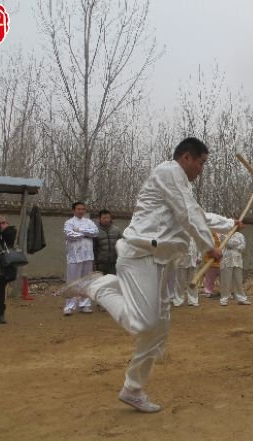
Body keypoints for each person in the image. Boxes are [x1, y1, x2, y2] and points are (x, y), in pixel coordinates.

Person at [60, 137, 241, 412]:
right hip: (139, 255)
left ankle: (132, 389)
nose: (202, 169)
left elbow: (196, 214)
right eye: (201, 162)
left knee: (157, 331)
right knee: (143, 324)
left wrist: (229, 224)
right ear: (187, 158)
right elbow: (189, 213)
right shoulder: (169, 172)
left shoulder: (179, 186)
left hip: (161, 262)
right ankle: (98, 286)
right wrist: (208, 246)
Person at [63, 201, 99, 315]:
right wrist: (86, 234)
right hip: (74, 256)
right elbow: (70, 235)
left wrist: (80, 231)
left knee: (87, 281)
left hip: (88, 255)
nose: (81, 211)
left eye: (83, 209)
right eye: (78, 209)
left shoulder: (89, 222)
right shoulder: (69, 222)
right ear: (73, 210)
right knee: (73, 282)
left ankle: (85, 304)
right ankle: (69, 306)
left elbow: (95, 232)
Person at [219, 231, 250, 306]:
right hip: (226, 260)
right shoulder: (223, 234)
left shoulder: (240, 234)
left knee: (238, 281)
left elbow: (242, 247)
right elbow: (228, 244)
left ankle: (241, 299)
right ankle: (224, 299)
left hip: (237, 260)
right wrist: (238, 242)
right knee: (226, 281)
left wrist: (235, 244)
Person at [167, 238, 200, 307]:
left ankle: (193, 300)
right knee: (179, 281)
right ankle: (178, 300)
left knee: (193, 281)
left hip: (193, 260)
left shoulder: (195, 234)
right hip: (181, 260)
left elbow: (198, 244)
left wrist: (199, 256)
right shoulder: (179, 234)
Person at [94, 209, 123, 275]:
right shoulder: (95, 231)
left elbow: (121, 245)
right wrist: (94, 263)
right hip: (100, 264)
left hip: (114, 263)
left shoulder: (117, 230)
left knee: (113, 280)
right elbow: (93, 248)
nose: (106, 220)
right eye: (104, 218)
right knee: (101, 280)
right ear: (99, 218)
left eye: (108, 218)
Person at [203, 231, 221, 297]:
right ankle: (208, 291)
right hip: (210, 258)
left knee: (224, 277)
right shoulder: (209, 233)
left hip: (221, 259)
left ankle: (225, 291)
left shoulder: (225, 233)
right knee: (209, 277)